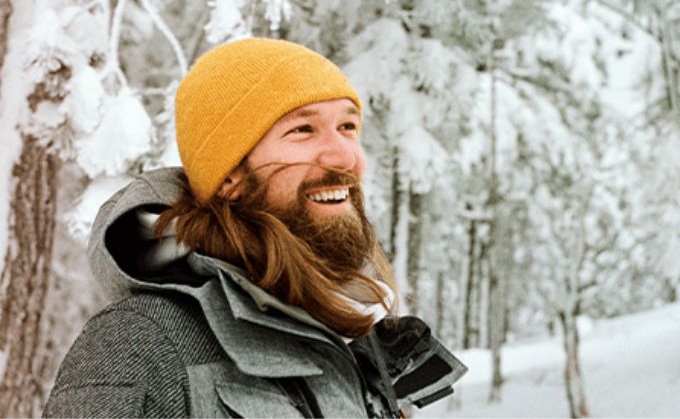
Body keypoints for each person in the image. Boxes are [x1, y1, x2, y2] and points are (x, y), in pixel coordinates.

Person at [43, 38, 467, 418]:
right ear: (230, 176)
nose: (346, 157)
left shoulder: (341, 335)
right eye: (302, 130)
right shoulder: (143, 342)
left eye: (348, 127)